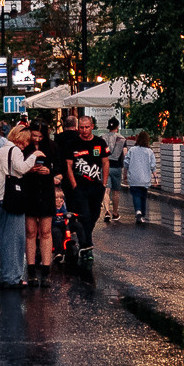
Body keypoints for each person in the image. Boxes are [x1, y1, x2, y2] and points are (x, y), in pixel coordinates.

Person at [62, 113, 107, 263]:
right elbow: (68, 166)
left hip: (96, 186)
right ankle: (87, 245)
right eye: (81, 127)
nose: (84, 130)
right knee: (85, 216)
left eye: (87, 127)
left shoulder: (100, 142)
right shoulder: (72, 144)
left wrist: (104, 183)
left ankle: (85, 241)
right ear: (78, 128)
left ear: (92, 127)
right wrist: (74, 185)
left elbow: (105, 163)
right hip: (80, 187)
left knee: (94, 216)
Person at [0, 119, 28, 286]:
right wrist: (34, 157)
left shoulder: (0, 151)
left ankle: (5, 275)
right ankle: (13, 278)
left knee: (5, 239)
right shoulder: (16, 151)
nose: (27, 144)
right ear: (19, 138)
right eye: (26, 140)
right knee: (15, 239)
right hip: (12, 199)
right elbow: (21, 168)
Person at [17, 126, 58, 282]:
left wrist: (50, 172)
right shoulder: (24, 147)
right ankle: (32, 268)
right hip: (30, 191)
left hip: (46, 191)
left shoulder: (52, 147)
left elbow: (59, 167)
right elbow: (17, 168)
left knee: (46, 231)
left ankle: (46, 269)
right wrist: (29, 170)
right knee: (30, 231)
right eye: (34, 135)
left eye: (40, 136)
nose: (37, 139)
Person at [125, 132, 157, 224]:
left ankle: (138, 211)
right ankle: (142, 215)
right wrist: (156, 178)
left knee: (136, 195)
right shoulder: (149, 152)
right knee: (143, 196)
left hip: (134, 178)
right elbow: (153, 166)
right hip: (145, 179)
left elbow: (126, 162)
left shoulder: (132, 150)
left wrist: (125, 174)